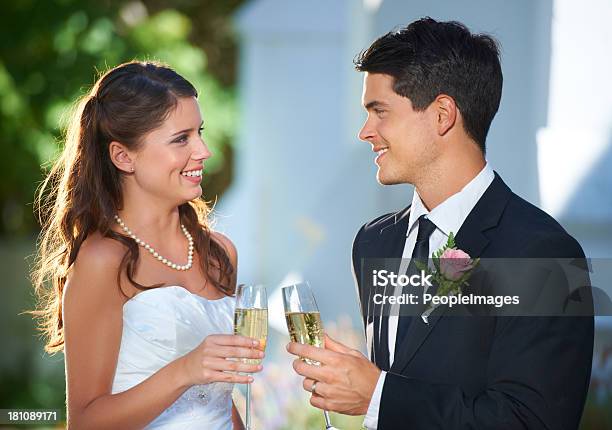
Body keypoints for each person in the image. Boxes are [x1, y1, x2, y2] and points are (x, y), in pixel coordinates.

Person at [287, 17, 594, 429]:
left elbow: (532, 422)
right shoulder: (374, 243)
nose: (365, 132)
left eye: (380, 112)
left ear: (442, 114)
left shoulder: (542, 252)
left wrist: (377, 394)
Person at [31, 61, 264, 429]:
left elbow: (218, 400)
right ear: (124, 157)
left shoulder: (218, 254)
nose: (204, 151)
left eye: (199, 132)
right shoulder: (103, 260)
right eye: (181, 138)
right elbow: (86, 422)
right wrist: (185, 370)